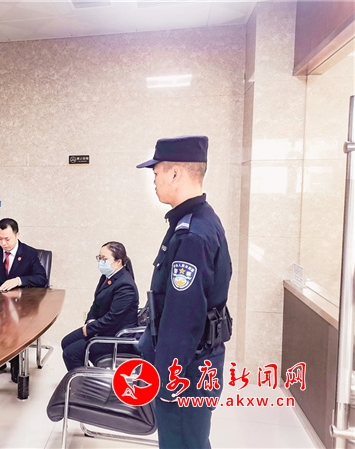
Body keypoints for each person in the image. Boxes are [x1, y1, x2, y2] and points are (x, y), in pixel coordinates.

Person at [136, 135, 232, 449]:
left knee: (181, 442)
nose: (154, 181)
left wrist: (167, 380)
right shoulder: (198, 220)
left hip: (186, 371)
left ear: (175, 173)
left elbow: (183, 318)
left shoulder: (192, 234)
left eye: (156, 173)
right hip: (195, 363)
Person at [0, 217, 48, 382]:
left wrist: (19, 280)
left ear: (17, 235)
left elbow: (42, 278)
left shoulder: (29, 253)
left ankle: (16, 362)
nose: (3, 243)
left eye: (7, 239)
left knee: (13, 326)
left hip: (22, 304)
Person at [61, 241, 139, 371]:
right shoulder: (106, 277)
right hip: (103, 329)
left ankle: (85, 381)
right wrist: (90, 321)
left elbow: (113, 318)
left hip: (117, 337)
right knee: (66, 342)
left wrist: (90, 328)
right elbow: (96, 303)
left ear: (118, 261)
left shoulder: (126, 286)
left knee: (71, 353)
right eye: (99, 258)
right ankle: (86, 374)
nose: (101, 262)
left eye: (104, 259)